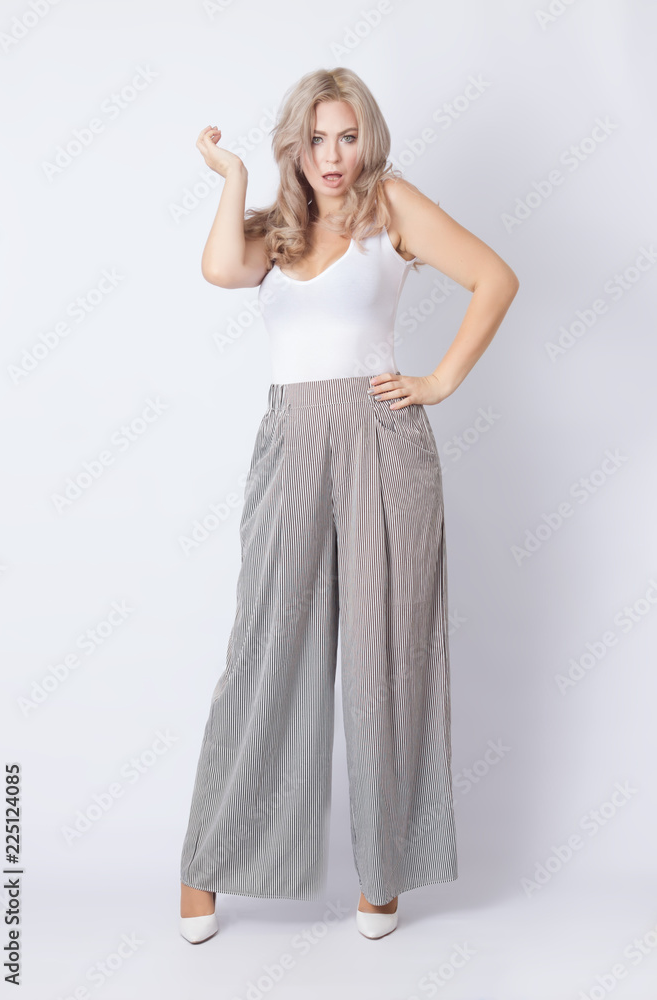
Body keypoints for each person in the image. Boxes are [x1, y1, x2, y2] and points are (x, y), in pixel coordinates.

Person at [179, 66, 519, 944]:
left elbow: (494, 278)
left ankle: (383, 876)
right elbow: (218, 268)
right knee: (263, 651)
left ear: (367, 140)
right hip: (291, 440)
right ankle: (209, 864)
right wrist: (235, 177)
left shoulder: (390, 205)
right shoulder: (275, 230)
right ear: (294, 145)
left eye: (347, 136)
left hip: (382, 441)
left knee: (386, 659)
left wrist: (437, 380)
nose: (333, 156)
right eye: (316, 139)